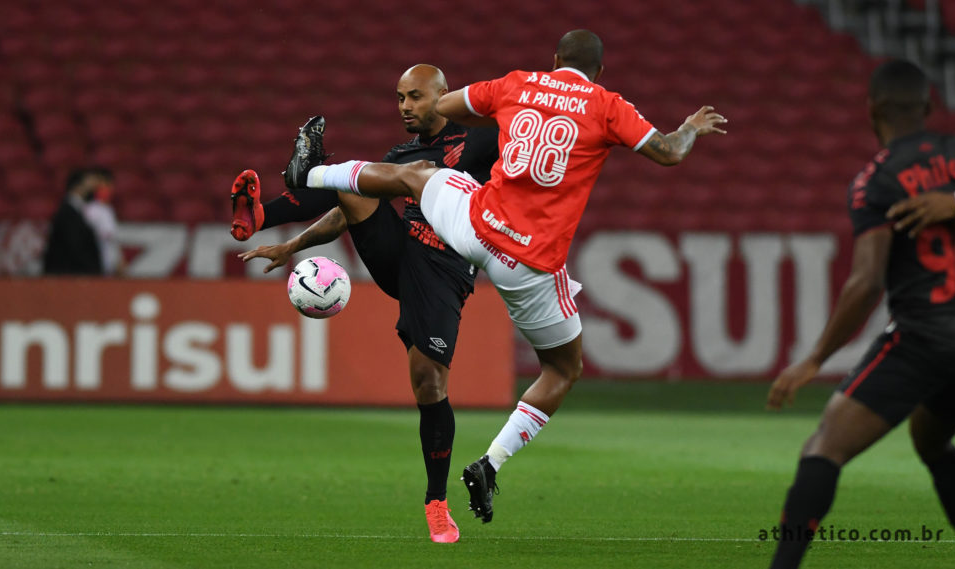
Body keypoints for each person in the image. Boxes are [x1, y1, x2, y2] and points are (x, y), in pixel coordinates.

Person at [281, 30, 726, 524]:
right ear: (598, 71)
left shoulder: (517, 84)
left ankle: (312, 174)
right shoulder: (606, 105)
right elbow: (669, 152)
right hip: (528, 264)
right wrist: (689, 127)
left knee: (418, 174)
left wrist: (498, 110)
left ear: (555, 60)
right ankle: (490, 464)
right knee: (562, 370)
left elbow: (447, 105)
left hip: (474, 226)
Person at [234, 64, 500, 543]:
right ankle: (258, 215)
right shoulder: (403, 154)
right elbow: (345, 210)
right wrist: (291, 245)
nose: (404, 107)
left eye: (415, 97)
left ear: (443, 96)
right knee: (351, 180)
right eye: (399, 98)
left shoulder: (480, 139)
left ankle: (436, 502)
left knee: (428, 382)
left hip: (445, 269)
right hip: (402, 253)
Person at [765, 59, 955, 569]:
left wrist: (814, 358)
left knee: (825, 447)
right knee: (930, 436)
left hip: (926, 339)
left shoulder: (875, 180)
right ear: (928, 104)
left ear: (871, 109)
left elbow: (866, 282)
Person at [42, 166, 111, 275]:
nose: (93, 185)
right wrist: (91, 270)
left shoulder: (81, 209)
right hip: (66, 275)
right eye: (89, 181)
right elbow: (74, 245)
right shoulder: (67, 212)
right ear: (78, 185)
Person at [82, 173, 125, 277]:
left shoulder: (109, 210)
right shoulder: (90, 210)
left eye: (108, 186)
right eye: (102, 186)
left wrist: (119, 260)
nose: (106, 189)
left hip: (110, 263)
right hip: (95, 262)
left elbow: (113, 239)